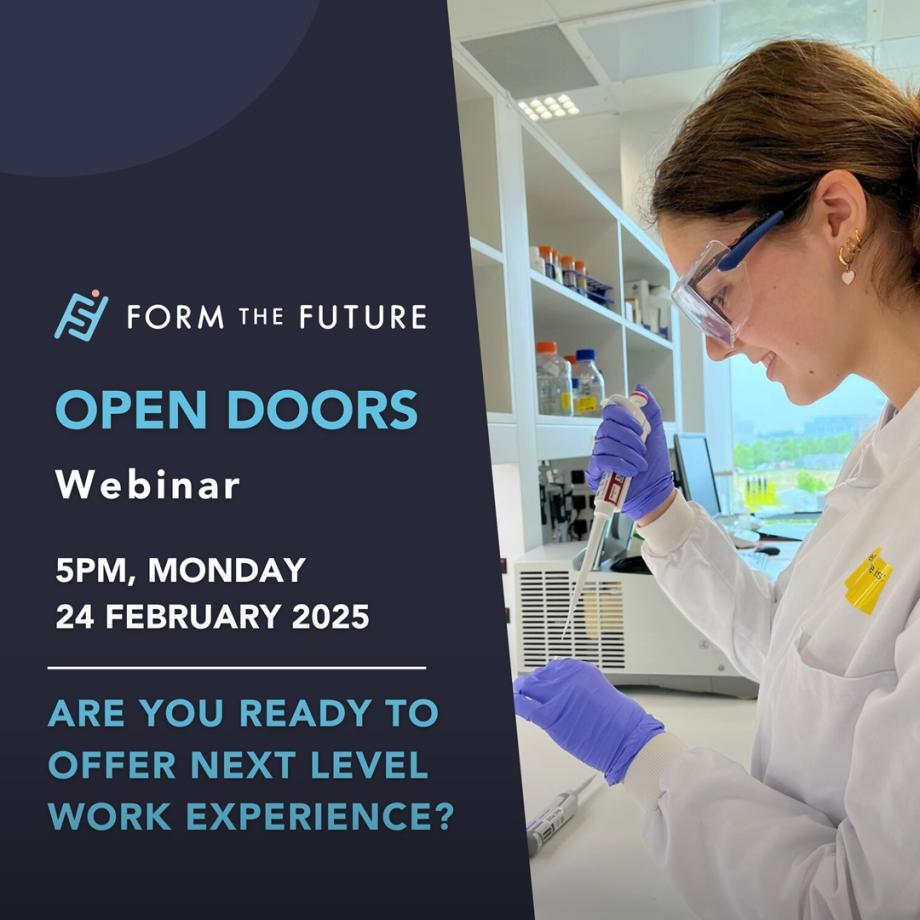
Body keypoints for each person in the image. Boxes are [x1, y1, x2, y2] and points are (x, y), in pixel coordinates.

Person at [513, 40, 920, 919]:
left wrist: (643, 758)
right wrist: (660, 511)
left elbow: (862, 905)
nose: (713, 343)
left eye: (715, 294)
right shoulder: (885, 448)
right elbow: (794, 655)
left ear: (839, 217)